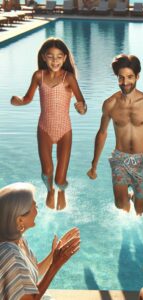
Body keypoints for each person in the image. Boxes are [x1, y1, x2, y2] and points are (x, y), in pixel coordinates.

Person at [11, 37, 87, 210]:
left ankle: (61, 190)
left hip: (64, 130)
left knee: (60, 178)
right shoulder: (39, 76)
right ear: (44, 57)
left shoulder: (69, 78)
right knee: (47, 171)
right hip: (44, 128)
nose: (55, 60)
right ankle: (50, 190)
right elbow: (27, 98)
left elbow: (82, 104)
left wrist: (81, 108)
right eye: (51, 56)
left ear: (65, 58)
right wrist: (19, 101)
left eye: (59, 56)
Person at [87, 54, 143, 216]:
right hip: (119, 159)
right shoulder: (110, 104)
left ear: (137, 77)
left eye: (129, 77)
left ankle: (134, 197)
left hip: (142, 160)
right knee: (120, 205)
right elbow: (102, 133)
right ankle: (125, 199)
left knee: (140, 210)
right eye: (121, 78)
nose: (125, 82)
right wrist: (94, 164)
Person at [0, 182, 80, 300]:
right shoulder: (10, 255)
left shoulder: (19, 241)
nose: (37, 211)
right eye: (34, 207)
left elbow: (32, 275)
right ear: (20, 220)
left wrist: (53, 255)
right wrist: (56, 265)